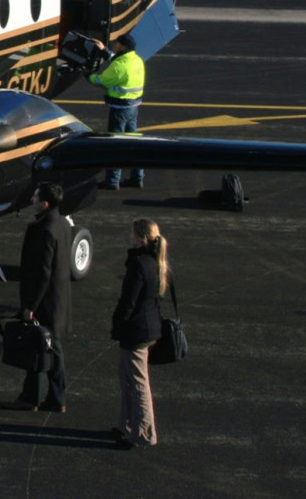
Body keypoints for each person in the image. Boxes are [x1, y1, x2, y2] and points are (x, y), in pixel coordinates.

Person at [6, 182, 72, 412]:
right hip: (58, 299)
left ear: (44, 203)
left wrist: (30, 305)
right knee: (54, 350)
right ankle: (56, 397)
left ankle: (31, 397)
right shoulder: (63, 223)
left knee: (37, 349)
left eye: (35, 197)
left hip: (44, 301)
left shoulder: (43, 228)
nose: (32, 200)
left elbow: (42, 272)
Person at [110, 218, 168, 449]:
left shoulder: (138, 264)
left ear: (139, 237)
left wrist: (118, 323)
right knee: (128, 378)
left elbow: (128, 302)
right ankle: (127, 425)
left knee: (136, 382)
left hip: (136, 331)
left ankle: (144, 432)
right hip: (148, 328)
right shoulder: (153, 262)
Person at [87, 32, 146, 189]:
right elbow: (117, 59)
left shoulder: (120, 66)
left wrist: (87, 74)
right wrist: (104, 51)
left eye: (116, 44)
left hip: (119, 109)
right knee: (134, 143)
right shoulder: (136, 60)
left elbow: (101, 81)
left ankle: (112, 181)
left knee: (115, 144)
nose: (114, 45)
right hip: (133, 107)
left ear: (123, 46)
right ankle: (137, 177)